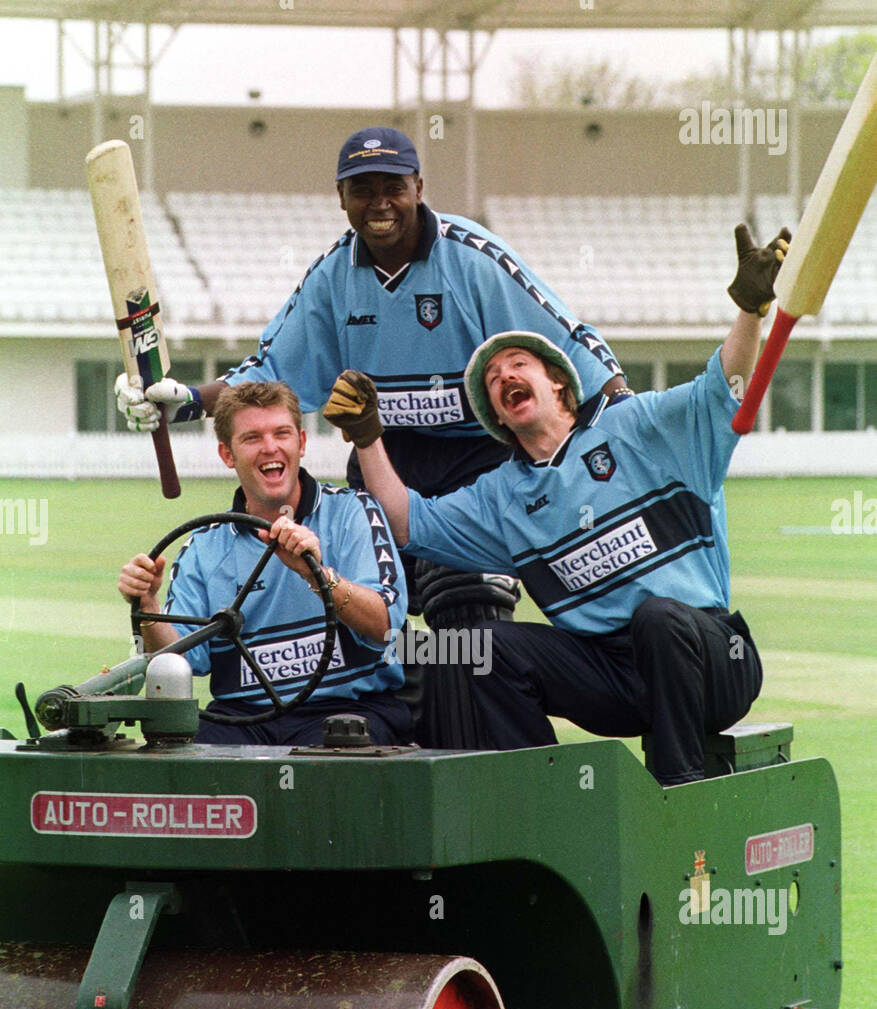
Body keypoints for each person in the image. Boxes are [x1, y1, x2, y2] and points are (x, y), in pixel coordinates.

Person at [319, 224, 790, 785]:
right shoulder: (503, 495)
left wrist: (749, 309)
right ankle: (554, 798)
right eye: (493, 379)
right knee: (484, 647)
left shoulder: (637, 425)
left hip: (713, 660)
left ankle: (675, 792)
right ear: (496, 414)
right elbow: (405, 522)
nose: (504, 377)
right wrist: (369, 437)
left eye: (519, 364)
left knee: (657, 617)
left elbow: (726, 387)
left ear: (561, 386)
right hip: (612, 675)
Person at [115, 126, 627, 502]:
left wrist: (629, 425)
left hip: (480, 455)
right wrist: (183, 402)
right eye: (363, 189)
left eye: (393, 187)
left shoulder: (474, 259)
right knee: (359, 610)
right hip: (381, 452)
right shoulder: (332, 278)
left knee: (468, 614)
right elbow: (271, 375)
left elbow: (571, 345)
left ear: (418, 190)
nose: (379, 203)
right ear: (341, 197)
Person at [117, 380, 410, 746]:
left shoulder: (353, 512)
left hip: (349, 710)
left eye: (281, 434)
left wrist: (317, 576)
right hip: (244, 718)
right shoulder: (205, 545)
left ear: (301, 443)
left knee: (338, 758)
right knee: (178, 761)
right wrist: (147, 608)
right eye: (252, 438)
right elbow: (184, 661)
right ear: (227, 455)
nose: (270, 448)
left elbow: (386, 625)